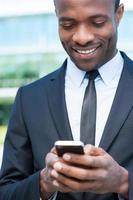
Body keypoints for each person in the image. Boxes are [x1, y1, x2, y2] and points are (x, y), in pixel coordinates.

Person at [0, 0, 133, 199]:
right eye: (68, 25)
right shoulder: (29, 99)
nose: (82, 38)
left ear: (119, 14)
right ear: (57, 16)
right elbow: (6, 192)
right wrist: (44, 183)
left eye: (97, 22)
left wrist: (124, 183)